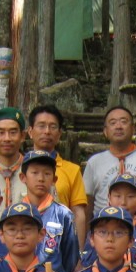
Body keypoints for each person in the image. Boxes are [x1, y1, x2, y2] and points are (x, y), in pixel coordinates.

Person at [27, 104, 88, 244]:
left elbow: (78, 214)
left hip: (59, 242)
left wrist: (78, 251)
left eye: (53, 127)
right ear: (30, 131)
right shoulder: (21, 169)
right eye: (41, 126)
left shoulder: (72, 170)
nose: (47, 131)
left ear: (59, 134)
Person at [19, 149, 79, 272]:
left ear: (54, 180)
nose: (41, 179)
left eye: (47, 174)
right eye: (35, 173)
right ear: (23, 177)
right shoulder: (15, 214)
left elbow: (71, 259)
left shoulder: (63, 215)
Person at [83, 105, 136, 213]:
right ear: (105, 131)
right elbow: (88, 202)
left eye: (124, 122)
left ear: (133, 129)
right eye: (113, 123)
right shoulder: (95, 162)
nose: (118, 126)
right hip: (103, 222)